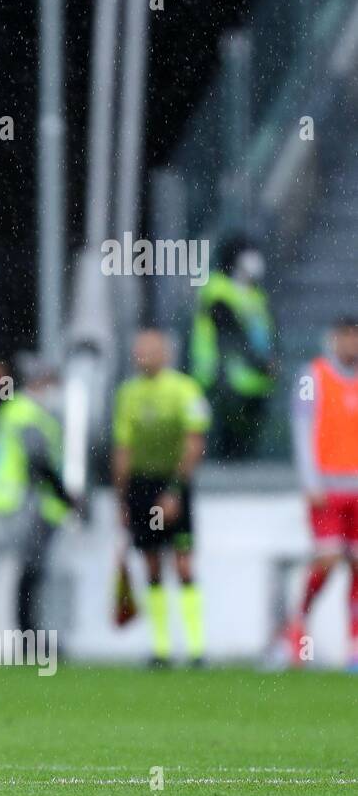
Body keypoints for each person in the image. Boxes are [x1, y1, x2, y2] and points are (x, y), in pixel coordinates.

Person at [113, 329, 211, 666]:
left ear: (166, 354)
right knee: (151, 563)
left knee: (183, 561)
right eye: (139, 351)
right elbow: (123, 448)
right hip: (141, 486)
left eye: (151, 350)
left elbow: (194, 442)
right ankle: (162, 648)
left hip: (173, 483)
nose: (143, 356)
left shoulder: (184, 390)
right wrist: (122, 500)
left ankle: (197, 648)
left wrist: (174, 491)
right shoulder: (128, 393)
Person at [279, 316, 358, 670]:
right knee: (327, 561)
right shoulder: (314, 376)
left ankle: (354, 643)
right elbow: (302, 427)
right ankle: (299, 622)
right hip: (326, 487)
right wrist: (310, 481)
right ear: (333, 339)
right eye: (345, 338)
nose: (350, 345)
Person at [0, 354, 76, 631]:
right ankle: (29, 634)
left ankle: (20, 633)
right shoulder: (28, 414)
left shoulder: (14, 409)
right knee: (30, 572)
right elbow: (39, 462)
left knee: (19, 571)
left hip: (5, 500)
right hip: (18, 503)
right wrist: (65, 497)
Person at [188, 234, 275, 459]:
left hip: (254, 383)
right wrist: (259, 362)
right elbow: (229, 335)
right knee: (228, 445)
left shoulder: (256, 294)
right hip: (224, 378)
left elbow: (264, 333)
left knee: (246, 445)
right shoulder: (218, 289)